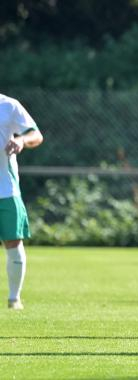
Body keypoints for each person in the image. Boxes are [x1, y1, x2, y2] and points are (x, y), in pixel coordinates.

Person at [0, 94, 43, 310]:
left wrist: (21, 140)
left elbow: (36, 134)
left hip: (5, 189)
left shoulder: (8, 105)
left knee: (13, 242)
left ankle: (14, 299)